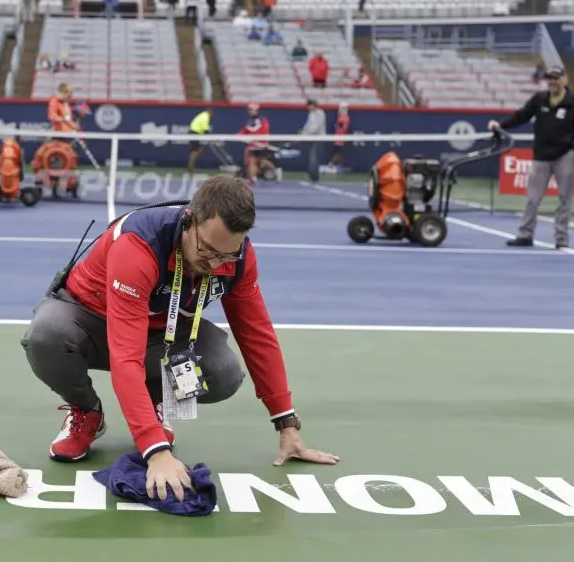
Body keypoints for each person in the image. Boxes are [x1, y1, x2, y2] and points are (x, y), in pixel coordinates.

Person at [20, 175, 339, 501]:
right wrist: (155, 451)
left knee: (222, 371)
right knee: (46, 335)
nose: (215, 265)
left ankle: (153, 399)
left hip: (161, 335)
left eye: (226, 256)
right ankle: (86, 411)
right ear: (189, 221)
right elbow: (124, 354)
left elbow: (256, 334)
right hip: (90, 325)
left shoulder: (236, 257)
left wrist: (286, 423)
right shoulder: (138, 244)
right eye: (208, 251)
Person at [488, 66, 574, 249]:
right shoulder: (539, 99)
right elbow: (522, 116)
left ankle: (561, 238)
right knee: (532, 198)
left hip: (564, 155)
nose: (552, 81)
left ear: (564, 80)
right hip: (541, 155)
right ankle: (525, 234)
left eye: (556, 78)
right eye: (550, 78)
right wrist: (501, 125)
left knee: (564, 199)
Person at [187, 107, 213, 175]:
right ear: (210, 113)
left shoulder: (203, 115)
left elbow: (204, 131)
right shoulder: (206, 117)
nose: (212, 116)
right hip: (194, 133)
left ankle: (191, 166)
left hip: (194, 134)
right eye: (212, 114)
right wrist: (209, 138)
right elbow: (205, 130)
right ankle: (190, 167)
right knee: (196, 150)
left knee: (196, 150)